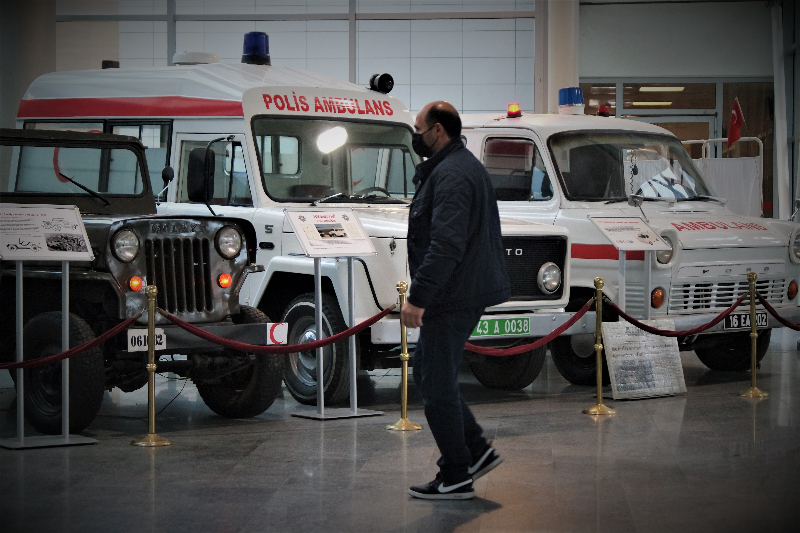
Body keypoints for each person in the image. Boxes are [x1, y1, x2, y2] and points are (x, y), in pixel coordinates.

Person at [402, 101, 511, 500]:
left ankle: (456, 474)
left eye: (419, 128)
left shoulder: (451, 175)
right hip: (462, 289)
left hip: (454, 293)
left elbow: (446, 244)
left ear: (438, 131)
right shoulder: (459, 166)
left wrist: (418, 298)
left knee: (433, 379)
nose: (415, 135)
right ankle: (474, 452)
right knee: (439, 376)